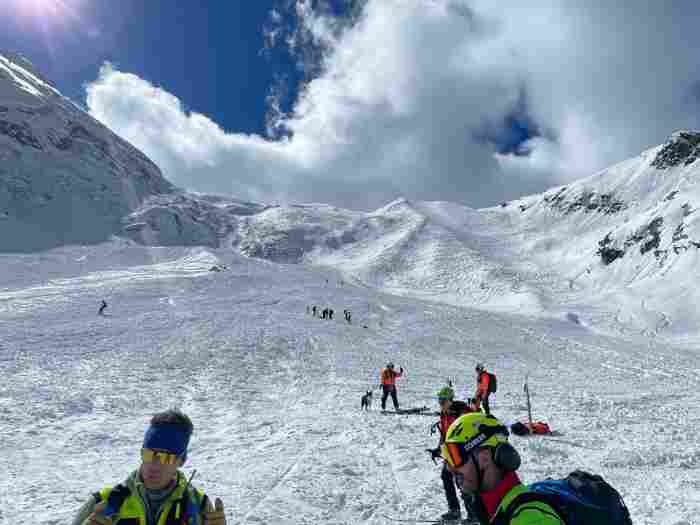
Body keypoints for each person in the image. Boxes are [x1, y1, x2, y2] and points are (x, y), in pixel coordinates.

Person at [72, 409, 226, 525]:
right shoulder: (103, 503)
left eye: (166, 457)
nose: (154, 465)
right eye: (148, 454)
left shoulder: (200, 507)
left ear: (182, 461)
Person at [441, 413, 563, 525]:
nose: (449, 468)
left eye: (454, 456)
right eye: (447, 456)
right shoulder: (495, 509)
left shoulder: (531, 519)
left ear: (484, 457)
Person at [426, 386, 475, 522]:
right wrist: (438, 449)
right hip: (450, 451)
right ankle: (454, 511)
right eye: (439, 401)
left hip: (462, 451)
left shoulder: (460, 412)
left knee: (462, 482)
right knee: (446, 476)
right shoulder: (444, 414)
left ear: (450, 400)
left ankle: (473, 515)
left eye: (443, 400)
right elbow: (445, 434)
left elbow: (471, 430)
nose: (440, 403)